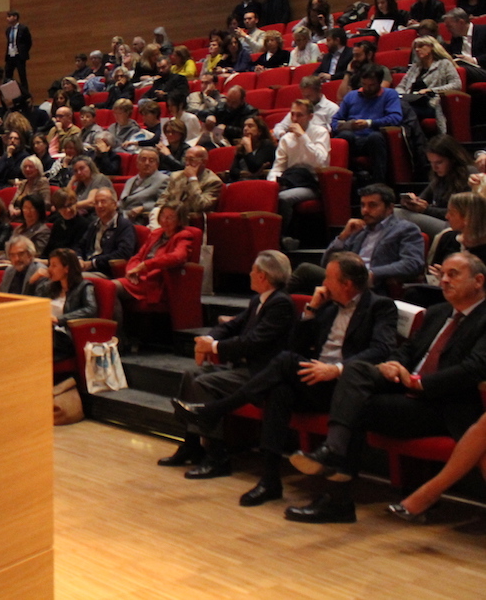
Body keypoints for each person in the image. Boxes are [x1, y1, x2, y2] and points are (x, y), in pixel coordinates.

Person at [172, 253, 397, 507]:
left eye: (329, 278)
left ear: (347, 284)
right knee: (279, 390)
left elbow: (381, 349)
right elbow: (296, 345)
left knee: (284, 361)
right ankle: (270, 481)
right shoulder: (328, 307)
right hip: (316, 379)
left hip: (346, 385)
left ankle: (216, 409)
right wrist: (311, 310)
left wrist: (336, 369)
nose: (323, 283)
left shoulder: (380, 306)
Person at [286, 252, 486, 524]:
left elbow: (475, 368)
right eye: (443, 274)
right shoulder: (438, 312)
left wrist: (418, 382)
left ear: (478, 281)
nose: (445, 280)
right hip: (404, 387)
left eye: (454, 274)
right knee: (355, 371)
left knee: (356, 407)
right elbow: (409, 350)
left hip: (443, 404)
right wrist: (393, 364)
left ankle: (337, 497)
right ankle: (333, 455)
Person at [157, 250, 295, 479]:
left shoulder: (281, 304)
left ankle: (217, 456)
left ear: (262, 276)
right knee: (191, 375)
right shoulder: (259, 300)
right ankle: (192, 445)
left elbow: (253, 342)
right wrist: (208, 339)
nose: (250, 274)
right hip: (243, 368)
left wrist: (213, 347)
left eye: (253, 270)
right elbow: (231, 326)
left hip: (261, 374)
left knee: (205, 383)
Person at [289, 183, 424, 294]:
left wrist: (372, 273)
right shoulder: (359, 230)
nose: (365, 210)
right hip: (345, 279)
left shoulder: (405, 229)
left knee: (306, 270)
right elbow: (326, 262)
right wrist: (343, 236)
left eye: (372, 205)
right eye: (363, 205)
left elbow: (413, 263)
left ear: (389, 208)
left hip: (372, 285)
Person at [269, 98, 332, 244]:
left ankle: (279, 238)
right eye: (293, 114)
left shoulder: (320, 133)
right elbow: (278, 167)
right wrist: (272, 184)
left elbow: (320, 162)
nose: (295, 119)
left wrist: (303, 136)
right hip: (290, 180)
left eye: (300, 115)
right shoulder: (286, 138)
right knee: (268, 194)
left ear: (310, 117)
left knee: (283, 198)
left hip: (312, 184)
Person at [114, 202, 193, 312]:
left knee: (110, 287)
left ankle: (111, 324)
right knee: (104, 289)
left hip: (155, 282)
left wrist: (145, 265)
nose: (164, 220)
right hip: (139, 278)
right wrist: (132, 271)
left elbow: (178, 257)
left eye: (170, 218)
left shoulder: (184, 236)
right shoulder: (156, 233)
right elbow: (138, 256)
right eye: (163, 215)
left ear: (180, 220)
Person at [333, 65, 403, 184]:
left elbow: (395, 118)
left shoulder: (389, 94)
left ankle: (378, 183)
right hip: (354, 138)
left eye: (371, 85)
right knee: (345, 136)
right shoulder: (351, 96)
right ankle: (345, 182)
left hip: (375, 138)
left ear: (379, 82)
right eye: (364, 84)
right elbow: (335, 121)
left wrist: (370, 123)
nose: (367, 88)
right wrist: (349, 126)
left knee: (375, 137)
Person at [394, 134, 472, 237]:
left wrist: (426, 210)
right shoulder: (439, 176)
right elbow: (422, 199)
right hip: (440, 221)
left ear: (453, 159)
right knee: (393, 213)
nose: (434, 168)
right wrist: (410, 203)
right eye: (431, 162)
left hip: (457, 226)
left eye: (439, 162)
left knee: (396, 214)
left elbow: (463, 213)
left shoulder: (469, 175)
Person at [395, 34, 460, 134]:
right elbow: (401, 86)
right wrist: (403, 95)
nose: (417, 49)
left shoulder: (444, 64)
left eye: (421, 46)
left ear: (432, 47)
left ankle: (411, 138)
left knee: (405, 110)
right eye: (415, 47)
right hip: (410, 101)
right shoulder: (415, 67)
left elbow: (456, 84)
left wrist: (431, 90)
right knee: (398, 106)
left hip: (431, 104)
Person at [38, 248, 96, 359]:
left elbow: (90, 309)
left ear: (67, 268)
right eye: (49, 265)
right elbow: (34, 303)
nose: (49, 269)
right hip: (47, 331)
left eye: (54, 266)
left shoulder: (84, 286)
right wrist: (35, 280)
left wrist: (59, 319)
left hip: (65, 336)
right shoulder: (51, 287)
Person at [156, 146, 224, 223]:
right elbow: (163, 199)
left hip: (191, 220)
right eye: (186, 159)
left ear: (204, 162)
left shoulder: (213, 182)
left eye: (192, 160)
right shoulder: (176, 176)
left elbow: (200, 206)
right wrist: (160, 211)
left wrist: (193, 180)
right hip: (169, 216)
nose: (187, 163)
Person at [77, 188, 136, 274]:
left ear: (114, 205)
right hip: (86, 267)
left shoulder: (124, 226)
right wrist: (79, 259)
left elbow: (123, 253)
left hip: (105, 271)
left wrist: (93, 263)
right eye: (96, 203)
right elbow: (80, 245)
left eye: (103, 202)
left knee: (72, 279)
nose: (99, 206)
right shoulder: (93, 225)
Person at [270, 75, 338, 140]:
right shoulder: (299, 107)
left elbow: (330, 133)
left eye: (309, 96)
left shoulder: (332, 108)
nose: (306, 99)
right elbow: (279, 127)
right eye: (304, 96)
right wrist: (283, 135)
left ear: (319, 91)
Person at [119, 148, 168, 224]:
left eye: (151, 161)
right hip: (122, 217)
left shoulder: (163, 180)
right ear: (137, 163)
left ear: (157, 165)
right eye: (143, 159)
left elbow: (164, 203)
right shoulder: (130, 181)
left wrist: (144, 208)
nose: (147, 163)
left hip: (140, 219)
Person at [44, 187, 93, 255]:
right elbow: (48, 249)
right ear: (57, 209)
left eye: (70, 205)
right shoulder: (58, 223)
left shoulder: (85, 225)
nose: (68, 210)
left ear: (76, 203)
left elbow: (75, 252)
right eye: (62, 207)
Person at [227, 116, 276, 181]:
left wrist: (248, 148)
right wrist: (242, 173)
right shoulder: (242, 146)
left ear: (260, 131)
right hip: (241, 181)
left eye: (250, 126)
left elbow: (254, 168)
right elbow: (233, 171)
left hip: (259, 182)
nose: (245, 129)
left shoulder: (267, 144)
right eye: (244, 126)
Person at [4, 10, 32, 93]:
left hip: (19, 56)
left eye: (9, 16)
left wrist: (23, 51)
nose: (7, 19)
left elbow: (28, 42)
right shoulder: (8, 30)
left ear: (15, 17)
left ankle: (26, 94)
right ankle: (9, 93)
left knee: (22, 76)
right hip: (10, 55)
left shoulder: (23, 28)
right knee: (7, 76)